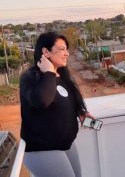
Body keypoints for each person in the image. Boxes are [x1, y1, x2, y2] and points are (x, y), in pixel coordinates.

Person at [20, 31, 93, 177]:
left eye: (66, 49)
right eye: (61, 49)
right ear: (46, 52)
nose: (66, 53)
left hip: (66, 145)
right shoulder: (31, 77)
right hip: (43, 149)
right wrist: (49, 73)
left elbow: (66, 102)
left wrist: (81, 113)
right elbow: (42, 101)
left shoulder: (62, 76)